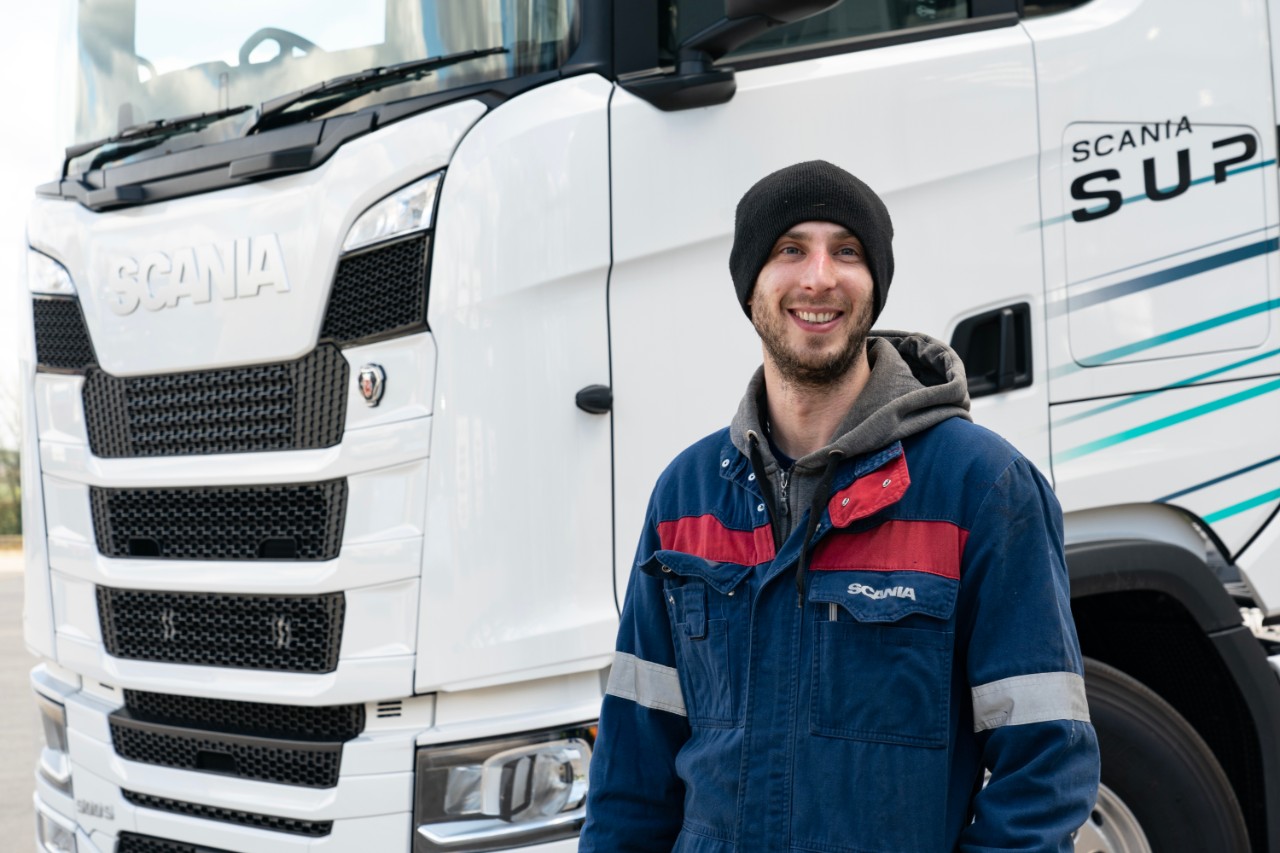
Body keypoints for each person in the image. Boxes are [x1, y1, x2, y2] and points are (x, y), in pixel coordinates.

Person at [579, 160, 1100, 852]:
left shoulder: (981, 488)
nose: (819, 276)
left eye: (846, 251)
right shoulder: (686, 496)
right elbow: (630, 775)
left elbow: (1044, 768)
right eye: (790, 248)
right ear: (750, 285)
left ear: (873, 285)